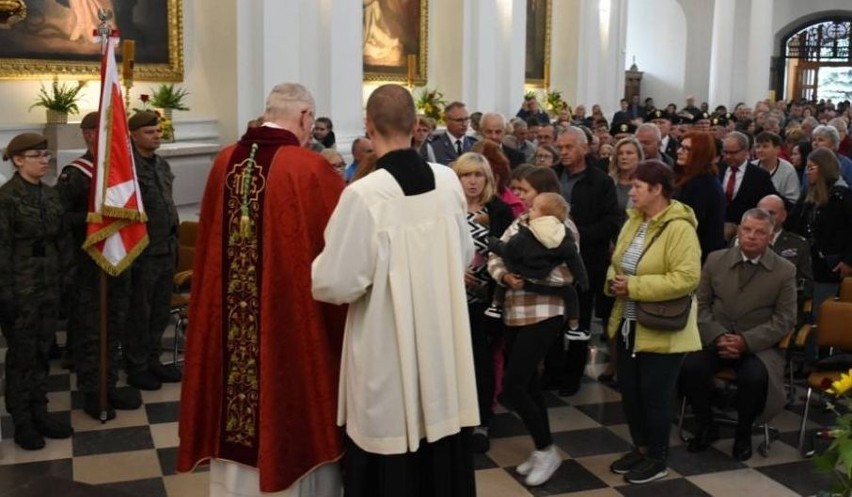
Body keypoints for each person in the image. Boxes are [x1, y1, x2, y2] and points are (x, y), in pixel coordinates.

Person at [177, 83, 347, 495]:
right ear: (306, 117)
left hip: (230, 324)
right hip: (285, 319)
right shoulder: (308, 168)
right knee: (284, 391)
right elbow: (340, 249)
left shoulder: (224, 161)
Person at [312, 84, 479, 497]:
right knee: (439, 442)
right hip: (442, 347)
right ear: (416, 125)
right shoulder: (447, 181)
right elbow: (465, 253)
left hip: (387, 350)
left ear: (369, 126)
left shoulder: (365, 196)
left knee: (390, 453)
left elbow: (334, 282)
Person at [604, 159, 701, 484]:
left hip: (662, 325)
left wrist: (634, 287)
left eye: (636, 187)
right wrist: (614, 282)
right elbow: (617, 261)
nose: (630, 192)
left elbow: (687, 278)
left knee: (655, 396)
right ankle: (641, 448)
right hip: (630, 322)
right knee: (630, 393)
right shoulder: (634, 221)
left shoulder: (679, 228)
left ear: (657, 189)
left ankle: (658, 457)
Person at [487, 166, 580, 487]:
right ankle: (543, 449)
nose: (519, 196)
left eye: (524, 190)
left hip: (545, 313)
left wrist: (526, 274)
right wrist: (504, 275)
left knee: (513, 387)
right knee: (527, 386)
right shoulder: (521, 221)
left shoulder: (562, 225)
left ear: (542, 191)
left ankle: (546, 448)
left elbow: (566, 273)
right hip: (515, 312)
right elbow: (495, 254)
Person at [681, 208, 796, 462]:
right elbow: (699, 305)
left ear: (770, 237)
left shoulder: (784, 270)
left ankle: (743, 433)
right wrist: (718, 336)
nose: (752, 236)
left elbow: (785, 319)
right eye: (747, 230)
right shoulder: (715, 259)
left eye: (760, 232)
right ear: (739, 231)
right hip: (716, 339)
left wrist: (746, 341)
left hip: (758, 346)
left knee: (754, 377)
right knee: (691, 368)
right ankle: (706, 426)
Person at [55, 112, 141, 420]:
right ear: (88, 135)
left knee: (115, 324)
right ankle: (93, 390)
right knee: (92, 329)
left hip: (119, 261)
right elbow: (59, 220)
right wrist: (96, 219)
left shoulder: (122, 172)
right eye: (102, 133)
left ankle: (109, 382)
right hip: (88, 266)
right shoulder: (75, 174)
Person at [0, 133, 73, 450]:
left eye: (46, 155)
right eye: (36, 155)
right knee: (21, 357)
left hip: (48, 286)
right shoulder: (6, 198)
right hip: (20, 288)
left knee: (43, 352)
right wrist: (6, 297)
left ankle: (40, 410)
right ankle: (23, 420)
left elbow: (62, 241)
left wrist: (65, 283)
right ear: (17, 159)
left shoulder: (51, 195)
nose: (44, 160)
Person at [451, 152, 515, 454]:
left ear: (488, 179)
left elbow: (511, 252)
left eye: (478, 175)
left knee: (482, 360)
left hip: (487, 298)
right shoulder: (447, 208)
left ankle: (481, 422)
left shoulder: (499, 211)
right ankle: (453, 419)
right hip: (450, 296)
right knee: (451, 360)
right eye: (466, 175)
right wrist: (451, 270)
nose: (472, 181)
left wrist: (492, 274)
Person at [553, 127, 623, 396]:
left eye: (569, 147)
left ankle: (573, 373)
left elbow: (611, 221)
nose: (564, 152)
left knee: (579, 320)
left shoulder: (600, 181)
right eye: (561, 147)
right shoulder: (554, 176)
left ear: (584, 148)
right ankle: (554, 370)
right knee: (555, 319)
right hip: (552, 262)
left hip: (586, 262)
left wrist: (578, 234)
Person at [123, 111, 181, 391]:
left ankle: (154, 360)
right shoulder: (127, 169)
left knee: (159, 311)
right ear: (133, 135)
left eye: (158, 131)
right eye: (149, 132)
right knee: (139, 312)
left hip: (165, 248)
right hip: (142, 252)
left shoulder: (161, 165)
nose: (156, 135)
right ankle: (137, 366)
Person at [486, 192, 588, 333]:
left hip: (539, 304)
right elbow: (574, 260)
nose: (528, 209)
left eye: (533, 208)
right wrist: (583, 280)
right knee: (570, 293)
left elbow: (507, 251)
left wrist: (492, 243)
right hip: (530, 291)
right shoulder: (564, 234)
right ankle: (574, 326)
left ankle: (495, 305)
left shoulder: (525, 231)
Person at [786, 148, 852, 310]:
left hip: (832, 266)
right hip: (808, 264)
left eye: (811, 168)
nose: (807, 173)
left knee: (823, 310)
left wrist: (848, 260)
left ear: (824, 168)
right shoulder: (808, 194)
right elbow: (792, 223)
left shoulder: (842, 196)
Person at [673, 132, 726, 262]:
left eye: (687, 149)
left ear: (700, 153)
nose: (679, 151)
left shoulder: (702, 185)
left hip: (696, 256)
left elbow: (690, 226)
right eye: (680, 146)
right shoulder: (691, 179)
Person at [430, 101, 477, 165]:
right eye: (459, 120)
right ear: (446, 120)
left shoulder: (474, 145)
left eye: (466, 119)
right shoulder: (434, 145)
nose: (464, 124)